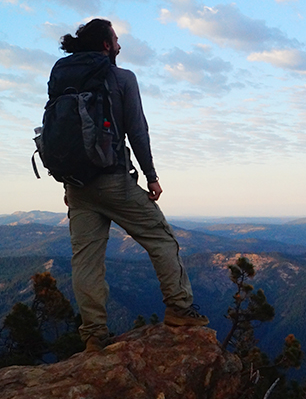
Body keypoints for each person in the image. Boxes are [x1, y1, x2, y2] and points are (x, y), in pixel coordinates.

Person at [53, 18, 208, 352]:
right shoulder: (122, 78)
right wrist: (151, 176)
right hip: (113, 181)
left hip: (76, 185)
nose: (120, 44)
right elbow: (137, 131)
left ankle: (94, 335)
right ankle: (180, 308)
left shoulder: (65, 75)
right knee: (161, 238)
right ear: (107, 45)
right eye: (117, 39)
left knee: (86, 260)